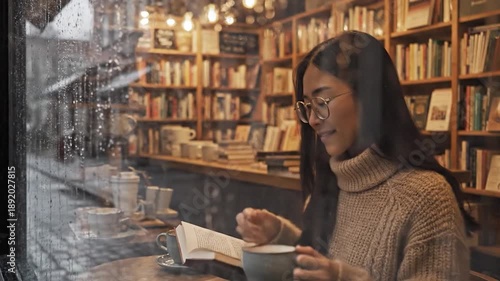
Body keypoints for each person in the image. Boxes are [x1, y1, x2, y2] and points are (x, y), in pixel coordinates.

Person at [236, 31, 478, 281]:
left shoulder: (427, 196)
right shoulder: (332, 178)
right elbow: (326, 256)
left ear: (370, 97)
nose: (312, 120)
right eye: (306, 106)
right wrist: (281, 236)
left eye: (321, 100)